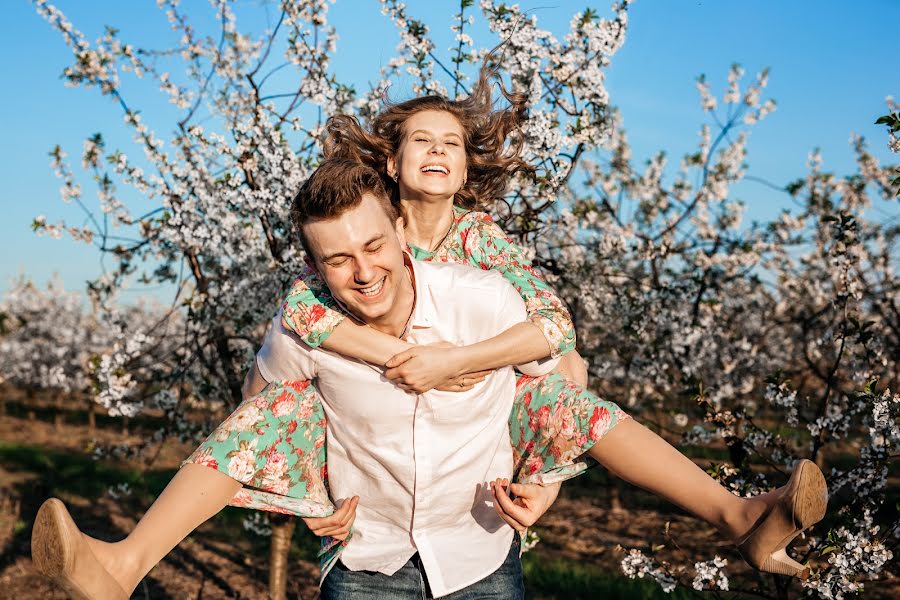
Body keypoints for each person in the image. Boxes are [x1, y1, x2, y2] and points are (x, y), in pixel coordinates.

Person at [250, 60, 829, 581]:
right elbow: (300, 310)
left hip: (473, 431)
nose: (436, 151)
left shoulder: (482, 240)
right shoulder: (363, 230)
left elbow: (557, 333)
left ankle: (740, 514)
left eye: (451, 143)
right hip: (373, 445)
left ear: (465, 165)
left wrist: (534, 461)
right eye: (420, 140)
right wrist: (403, 364)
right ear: (392, 160)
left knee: (573, 389)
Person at [30, 159, 563, 600]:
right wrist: (303, 492)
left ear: (401, 228)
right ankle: (126, 563)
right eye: (338, 259)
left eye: (373, 246)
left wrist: (547, 481)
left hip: (478, 551)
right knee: (281, 404)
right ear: (311, 267)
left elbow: (558, 369)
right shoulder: (305, 323)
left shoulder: (481, 296)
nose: (363, 272)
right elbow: (257, 413)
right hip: (366, 558)